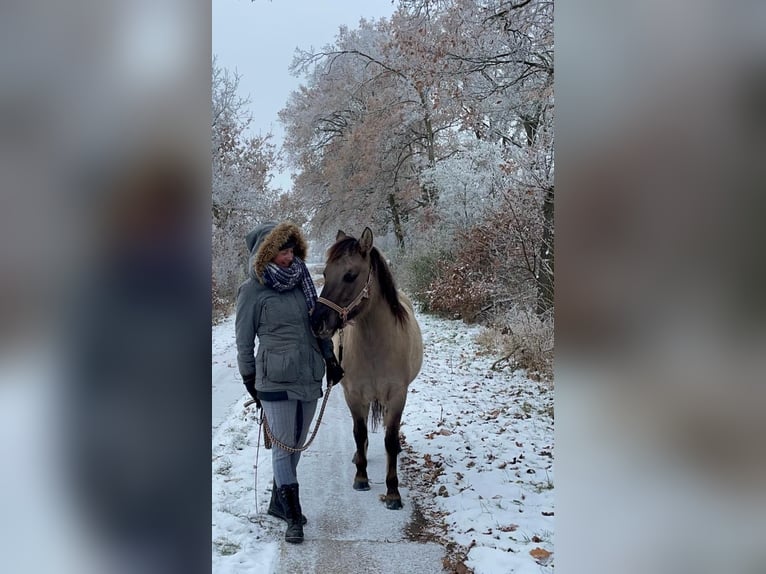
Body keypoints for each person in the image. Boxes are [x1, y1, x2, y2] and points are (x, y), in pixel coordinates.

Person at [235, 221, 344, 544]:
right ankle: (293, 517)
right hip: (274, 379)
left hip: (309, 374)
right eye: (282, 251)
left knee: (297, 443)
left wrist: (330, 359)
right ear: (265, 253)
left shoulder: (303, 282)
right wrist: (249, 378)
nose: (288, 256)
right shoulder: (252, 291)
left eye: (291, 249)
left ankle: (278, 502)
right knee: (283, 447)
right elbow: (243, 341)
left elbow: (317, 326)